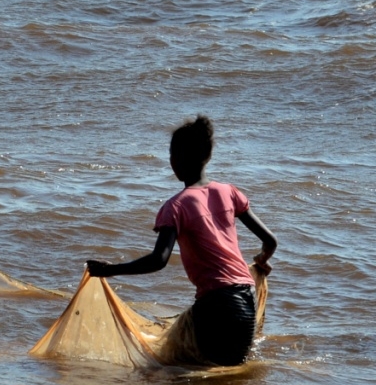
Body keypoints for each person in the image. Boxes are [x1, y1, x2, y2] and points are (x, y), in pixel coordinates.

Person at [86, 115, 277, 366]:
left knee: (183, 378)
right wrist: (262, 260)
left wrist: (110, 271)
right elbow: (270, 241)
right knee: (227, 381)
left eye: (171, 154)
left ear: (178, 159)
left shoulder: (175, 207)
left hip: (217, 305)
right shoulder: (228, 192)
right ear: (206, 156)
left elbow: (158, 260)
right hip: (247, 300)